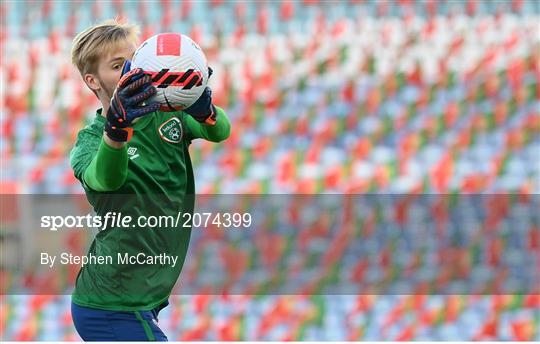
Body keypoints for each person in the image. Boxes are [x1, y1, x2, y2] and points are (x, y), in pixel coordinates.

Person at [69, 19, 231, 341]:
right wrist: (116, 132)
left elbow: (220, 131)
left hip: (145, 299)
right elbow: (107, 179)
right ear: (93, 81)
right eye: (118, 67)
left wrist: (204, 107)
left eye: (135, 62)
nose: (132, 73)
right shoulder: (88, 142)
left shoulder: (169, 113)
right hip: (110, 304)